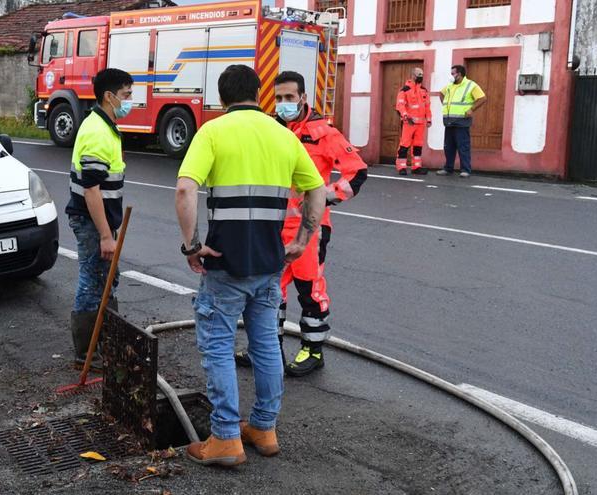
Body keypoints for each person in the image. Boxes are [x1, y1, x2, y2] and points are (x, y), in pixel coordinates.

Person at [175, 65, 326, 467]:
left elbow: (185, 189)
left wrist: (191, 246)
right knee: (266, 346)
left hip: (225, 264)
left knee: (219, 347)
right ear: (259, 94)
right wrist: (301, 240)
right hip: (268, 264)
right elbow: (317, 190)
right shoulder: (282, 135)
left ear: (222, 98)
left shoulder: (212, 132)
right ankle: (263, 427)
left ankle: (225, 438)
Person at [234, 71, 367, 378]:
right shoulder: (269, 129)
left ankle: (313, 350)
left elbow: (357, 172)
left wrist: (324, 198)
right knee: (270, 291)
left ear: (303, 98)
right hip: (273, 226)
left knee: (310, 290)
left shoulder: (324, 133)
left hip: (310, 228)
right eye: (278, 98)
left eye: (289, 98)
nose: (283, 104)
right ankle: (267, 350)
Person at [66, 68, 133, 366]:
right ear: (109, 96)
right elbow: (91, 189)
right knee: (93, 281)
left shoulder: (105, 125)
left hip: (101, 221)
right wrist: (106, 235)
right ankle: (87, 352)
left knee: (106, 278)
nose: (130, 101)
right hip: (92, 222)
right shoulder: (96, 131)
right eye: (126, 95)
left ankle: (106, 340)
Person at [437, 64, 486, 178]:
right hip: (449, 120)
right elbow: (441, 93)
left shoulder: (470, 85)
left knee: (463, 146)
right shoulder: (450, 86)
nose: (451, 75)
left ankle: (465, 170)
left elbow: (482, 98)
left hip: (462, 121)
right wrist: (445, 105)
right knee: (448, 147)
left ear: (459, 74)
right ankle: (448, 168)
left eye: (453, 73)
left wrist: (471, 109)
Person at [395, 67, 431, 175]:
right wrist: (406, 116)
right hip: (409, 123)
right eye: (419, 75)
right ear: (413, 76)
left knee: (418, 146)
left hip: (421, 124)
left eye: (422, 75)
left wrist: (429, 119)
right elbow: (400, 105)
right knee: (404, 145)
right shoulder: (405, 90)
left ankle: (416, 167)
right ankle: (401, 167)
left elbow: (427, 106)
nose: (420, 77)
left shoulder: (424, 90)